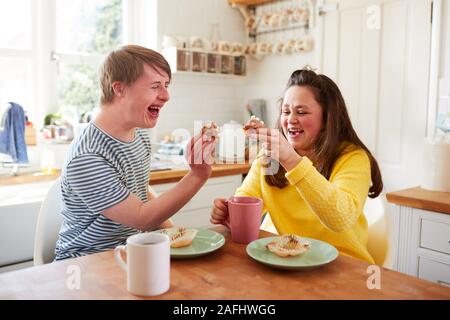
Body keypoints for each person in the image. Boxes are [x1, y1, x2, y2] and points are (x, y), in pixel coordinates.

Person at [55, 45, 216, 260]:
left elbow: (139, 191)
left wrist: (174, 235)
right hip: (88, 262)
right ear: (119, 89)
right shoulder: (87, 156)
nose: (166, 95)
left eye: (166, 85)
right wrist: (198, 174)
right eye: (155, 86)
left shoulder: (138, 134)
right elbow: (143, 217)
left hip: (134, 252)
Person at [210, 68, 383, 264]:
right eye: (286, 111)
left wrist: (291, 161)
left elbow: (339, 219)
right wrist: (231, 213)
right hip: (288, 259)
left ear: (327, 119)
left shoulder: (352, 158)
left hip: (344, 264)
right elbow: (247, 199)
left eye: (301, 112)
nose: (290, 119)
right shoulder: (269, 156)